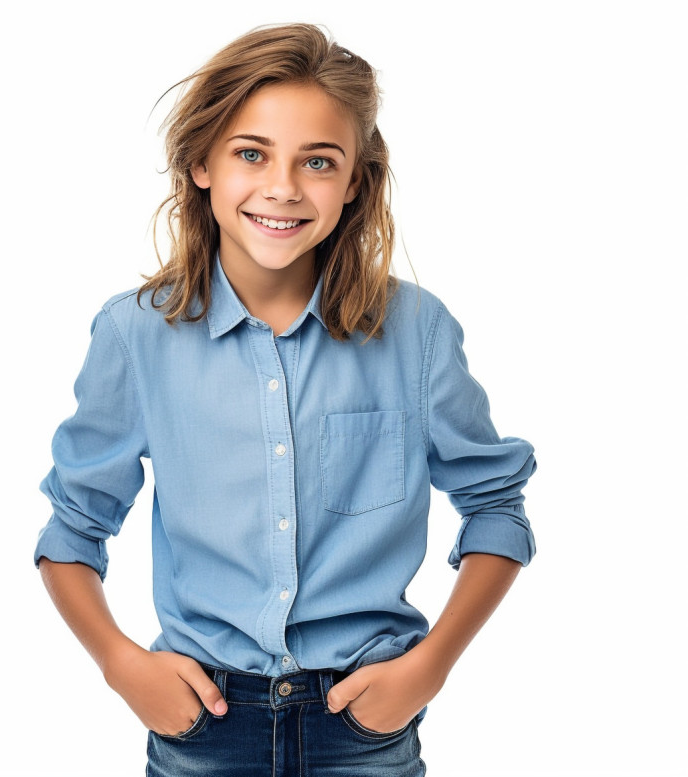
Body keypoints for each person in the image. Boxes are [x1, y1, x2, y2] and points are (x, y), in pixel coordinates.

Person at [33, 23, 536, 776]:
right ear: (200, 163)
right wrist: (119, 663)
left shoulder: (416, 330)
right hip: (204, 723)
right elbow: (73, 527)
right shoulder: (135, 333)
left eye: (318, 161)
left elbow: (497, 505)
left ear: (356, 180)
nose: (283, 187)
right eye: (251, 153)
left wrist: (429, 667)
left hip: (363, 725)